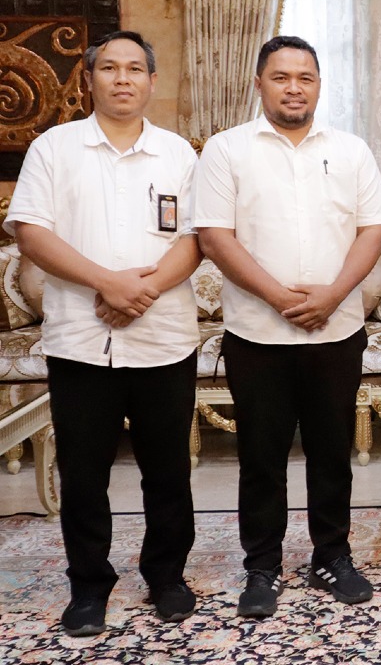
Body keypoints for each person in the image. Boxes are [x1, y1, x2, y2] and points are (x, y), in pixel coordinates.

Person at [7, 31, 202, 636]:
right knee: (84, 473)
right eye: (110, 68)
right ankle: (89, 586)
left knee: (168, 470)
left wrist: (139, 291)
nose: (123, 79)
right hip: (82, 339)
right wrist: (106, 284)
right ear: (88, 79)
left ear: (152, 80)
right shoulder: (54, 148)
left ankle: (167, 577)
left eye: (136, 69)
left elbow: (197, 240)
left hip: (164, 336)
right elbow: (31, 232)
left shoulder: (180, 154)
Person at [195, 35, 381, 617]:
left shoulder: (351, 149)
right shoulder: (227, 151)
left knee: (332, 452)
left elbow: (373, 231)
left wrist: (333, 295)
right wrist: (280, 296)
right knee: (262, 456)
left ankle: (332, 555)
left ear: (318, 84)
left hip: (336, 332)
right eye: (281, 76)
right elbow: (214, 236)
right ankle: (261, 566)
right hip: (258, 334)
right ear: (259, 83)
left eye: (304, 77)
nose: (293, 87)